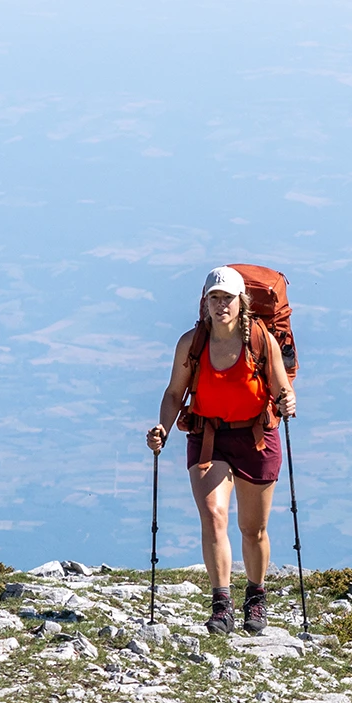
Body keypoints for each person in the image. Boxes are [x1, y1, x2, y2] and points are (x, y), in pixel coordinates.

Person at [146, 266, 297, 635]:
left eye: (227, 298)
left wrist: (287, 401)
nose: (220, 305)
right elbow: (174, 394)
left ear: (241, 302)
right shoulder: (192, 344)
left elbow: (282, 389)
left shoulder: (261, 340)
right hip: (208, 437)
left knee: (253, 529)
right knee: (214, 517)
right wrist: (163, 428)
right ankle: (221, 605)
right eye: (214, 298)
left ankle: (256, 596)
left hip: (256, 439)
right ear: (205, 302)